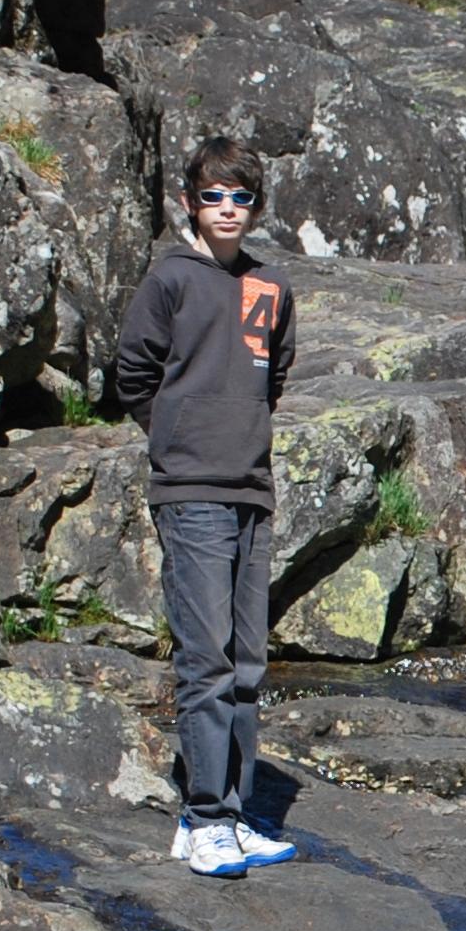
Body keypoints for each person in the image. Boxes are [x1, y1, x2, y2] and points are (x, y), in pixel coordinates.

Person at [112, 137, 299, 879]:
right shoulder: (170, 281)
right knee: (206, 659)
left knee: (248, 660)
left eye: (241, 198)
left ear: (256, 207)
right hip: (191, 493)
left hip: (251, 489)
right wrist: (180, 436)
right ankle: (204, 819)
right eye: (214, 197)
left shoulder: (271, 287)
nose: (228, 210)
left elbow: (274, 375)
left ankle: (230, 809)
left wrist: (236, 433)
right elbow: (133, 373)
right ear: (190, 203)